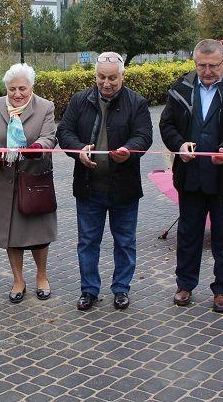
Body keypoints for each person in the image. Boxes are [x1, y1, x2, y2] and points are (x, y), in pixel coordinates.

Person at [159, 39, 223, 313]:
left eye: (213, 65)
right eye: (202, 65)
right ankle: (185, 285)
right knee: (188, 234)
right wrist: (179, 145)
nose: (207, 71)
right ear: (195, 63)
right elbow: (166, 124)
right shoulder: (181, 89)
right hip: (191, 177)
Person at [57, 52, 152, 311]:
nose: (106, 83)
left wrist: (128, 151)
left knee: (124, 241)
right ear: (95, 75)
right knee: (88, 242)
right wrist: (79, 150)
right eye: (101, 77)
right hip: (89, 187)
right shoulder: (79, 100)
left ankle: (121, 289)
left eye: (112, 78)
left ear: (122, 76)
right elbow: (64, 132)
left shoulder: (137, 102)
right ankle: (89, 290)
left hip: (124, 187)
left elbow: (144, 136)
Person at [0, 63, 57, 303]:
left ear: (31, 87)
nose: (17, 94)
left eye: (22, 88)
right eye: (12, 89)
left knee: (38, 232)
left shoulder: (45, 107)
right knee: (10, 232)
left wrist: (37, 148)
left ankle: (42, 277)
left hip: (33, 179)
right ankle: (18, 280)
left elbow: (49, 137)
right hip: (3, 180)